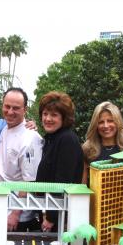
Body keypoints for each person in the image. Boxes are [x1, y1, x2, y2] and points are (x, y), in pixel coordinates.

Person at [35, 91, 84, 232]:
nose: (48, 119)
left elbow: (63, 182)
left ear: (64, 118)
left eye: (54, 115)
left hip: (60, 217)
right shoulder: (52, 138)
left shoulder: (67, 139)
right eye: (45, 114)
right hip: (50, 212)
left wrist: (50, 218)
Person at [0, 87, 43, 232]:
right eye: (7, 106)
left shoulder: (30, 138)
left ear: (25, 110)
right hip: (1, 208)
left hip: (19, 217)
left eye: (16, 108)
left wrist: (15, 213)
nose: (10, 112)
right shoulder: (5, 128)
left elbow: (29, 182)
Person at [82, 101, 123, 181]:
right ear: (95, 125)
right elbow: (82, 186)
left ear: (118, 122)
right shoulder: (87, 149)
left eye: (110, 121)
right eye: (101, 122)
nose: (106, 126)